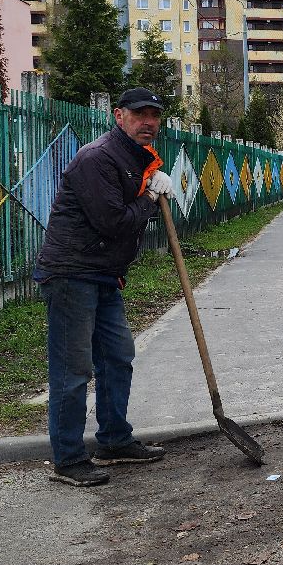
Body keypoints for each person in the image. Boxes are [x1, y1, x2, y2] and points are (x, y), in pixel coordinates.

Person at [34, 87, 177, 486]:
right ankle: (68, 458)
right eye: (139, 114)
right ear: (119, 116)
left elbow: (125, 213)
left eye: (154, 115)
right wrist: (149, 196)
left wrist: (147, 183)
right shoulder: (97, 158)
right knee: (73, 367)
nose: (148, 122)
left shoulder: (133, 159)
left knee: (117, 356)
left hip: (102, 273)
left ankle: (113, 439)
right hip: (71, 273)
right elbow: (114, 221)